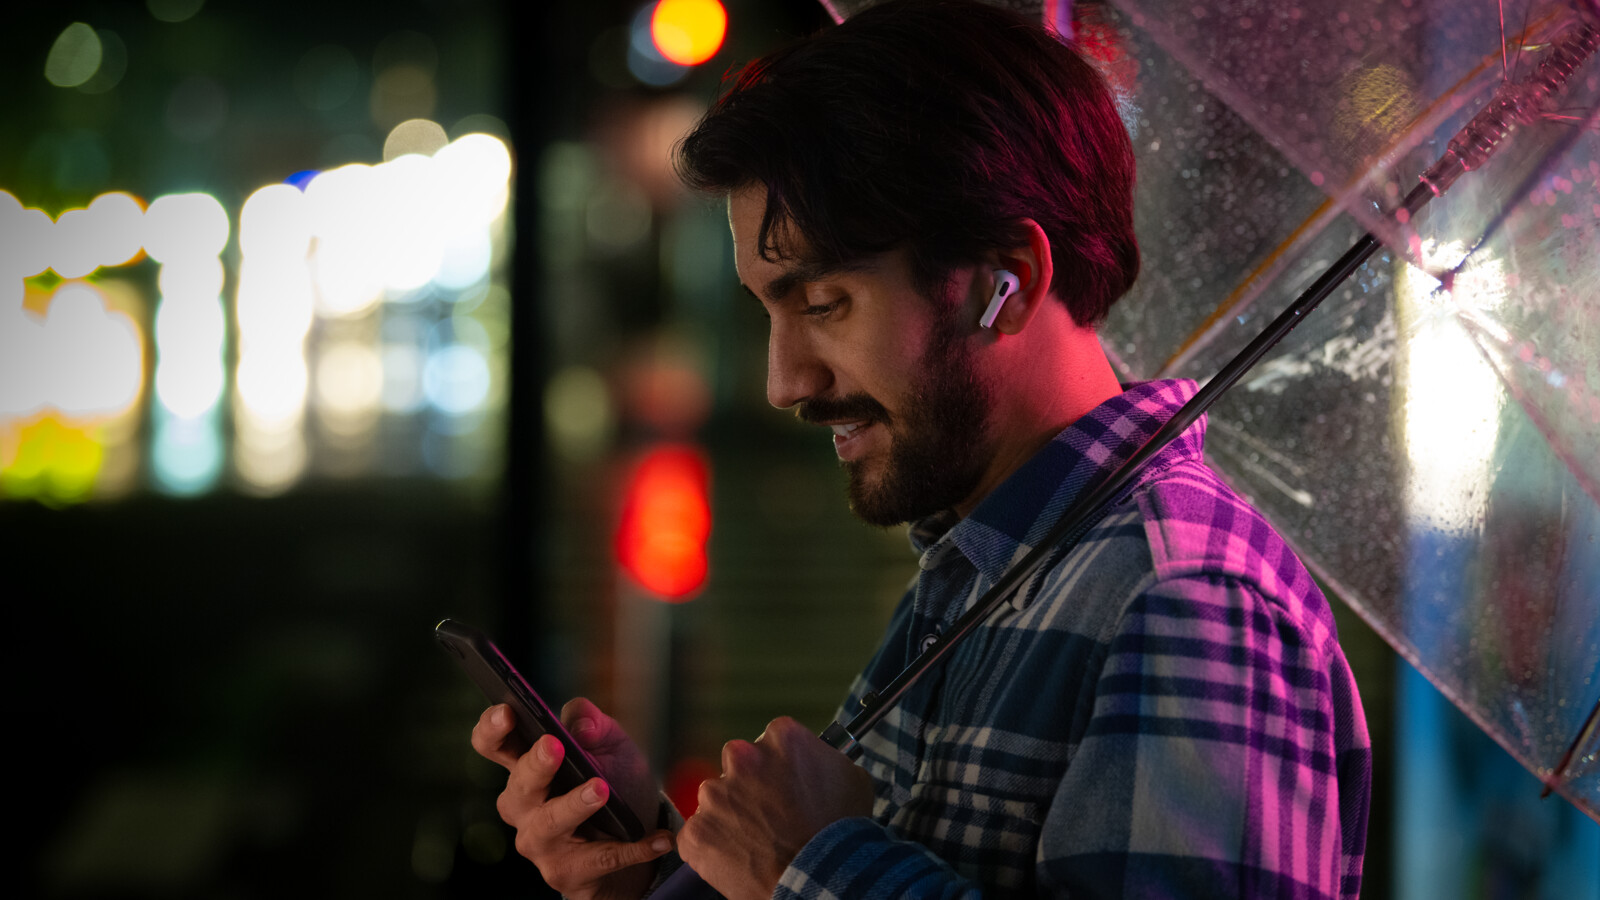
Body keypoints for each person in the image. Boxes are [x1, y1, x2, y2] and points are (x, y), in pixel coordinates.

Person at [470, 1, 1372, 898]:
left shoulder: (1188, 600)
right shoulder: (984, 566)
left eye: (822, 303)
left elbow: (821, 867)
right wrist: (655, 871)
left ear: (1002, 283)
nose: (785, 381)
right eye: (767, 310)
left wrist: (807, 866)